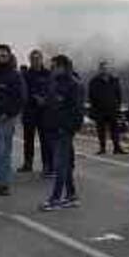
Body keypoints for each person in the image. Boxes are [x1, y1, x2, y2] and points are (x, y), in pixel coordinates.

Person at [39, 54, 84, 211]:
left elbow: (77, 111)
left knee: (60, 165)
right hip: (53, 127)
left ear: (62, 67)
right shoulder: (54, 83)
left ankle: (56, 198)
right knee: (63, 163)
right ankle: (71, 195)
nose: (52, 69)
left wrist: (68, 127)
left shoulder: (73, 85)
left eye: (54, 66)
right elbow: (52, 105)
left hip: (63, 130)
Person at [0, 44, 27, 195]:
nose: (0, 58)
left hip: (6, 119)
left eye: (3, 55)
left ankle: (4, 183)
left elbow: (20, 98)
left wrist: (8, 113)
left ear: (9, 57)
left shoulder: (15, 76)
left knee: (4, 151)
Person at [20, 50, 54, 176]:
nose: (35, 60)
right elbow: (23, 92)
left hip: (44, 112)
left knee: (45, 140)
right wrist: (34, 98)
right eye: (33, 58)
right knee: (28, 139)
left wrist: (45, 99)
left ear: (41, 59)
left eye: (38, 58)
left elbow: (52, 90)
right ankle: (28, 163)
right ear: (30, 60)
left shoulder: (48, 74)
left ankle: (47, 165)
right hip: (29, 110)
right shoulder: (25, 75)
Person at [88, 61, 125, 155]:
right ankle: (102, 148)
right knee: (101, 129)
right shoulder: (94, 81)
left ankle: (117, 147)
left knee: (115, 129)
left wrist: (118, 105)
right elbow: (91, 96)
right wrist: (93, 108)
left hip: (112, 108)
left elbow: (118, 94)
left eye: (107, 68)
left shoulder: (114, 80)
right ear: (100, 69)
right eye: (103, 68)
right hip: (99, 109)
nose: (105, 70)